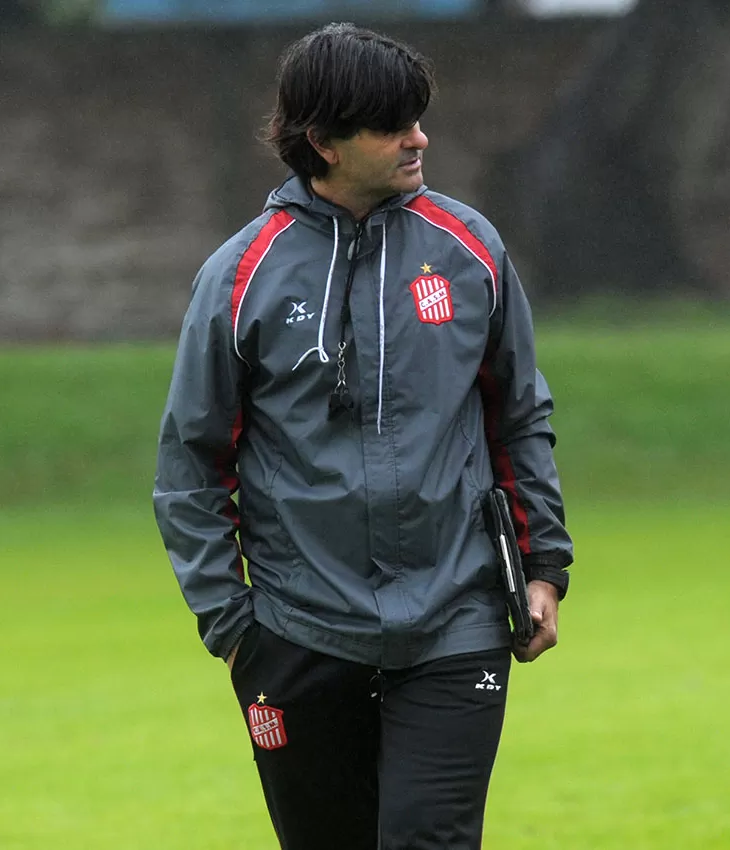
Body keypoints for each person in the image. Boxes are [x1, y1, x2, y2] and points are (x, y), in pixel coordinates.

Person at [152, 23, 572, 850]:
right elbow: (191, 462)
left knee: (427, 838)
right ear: (324, 143)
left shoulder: (470, 249)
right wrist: (233, 627)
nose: (421, 138)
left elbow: (518, 415)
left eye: (418, 117)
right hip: (296, 631)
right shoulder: (240, 275)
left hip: (457, 619)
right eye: (393, 125)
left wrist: (546, 565)